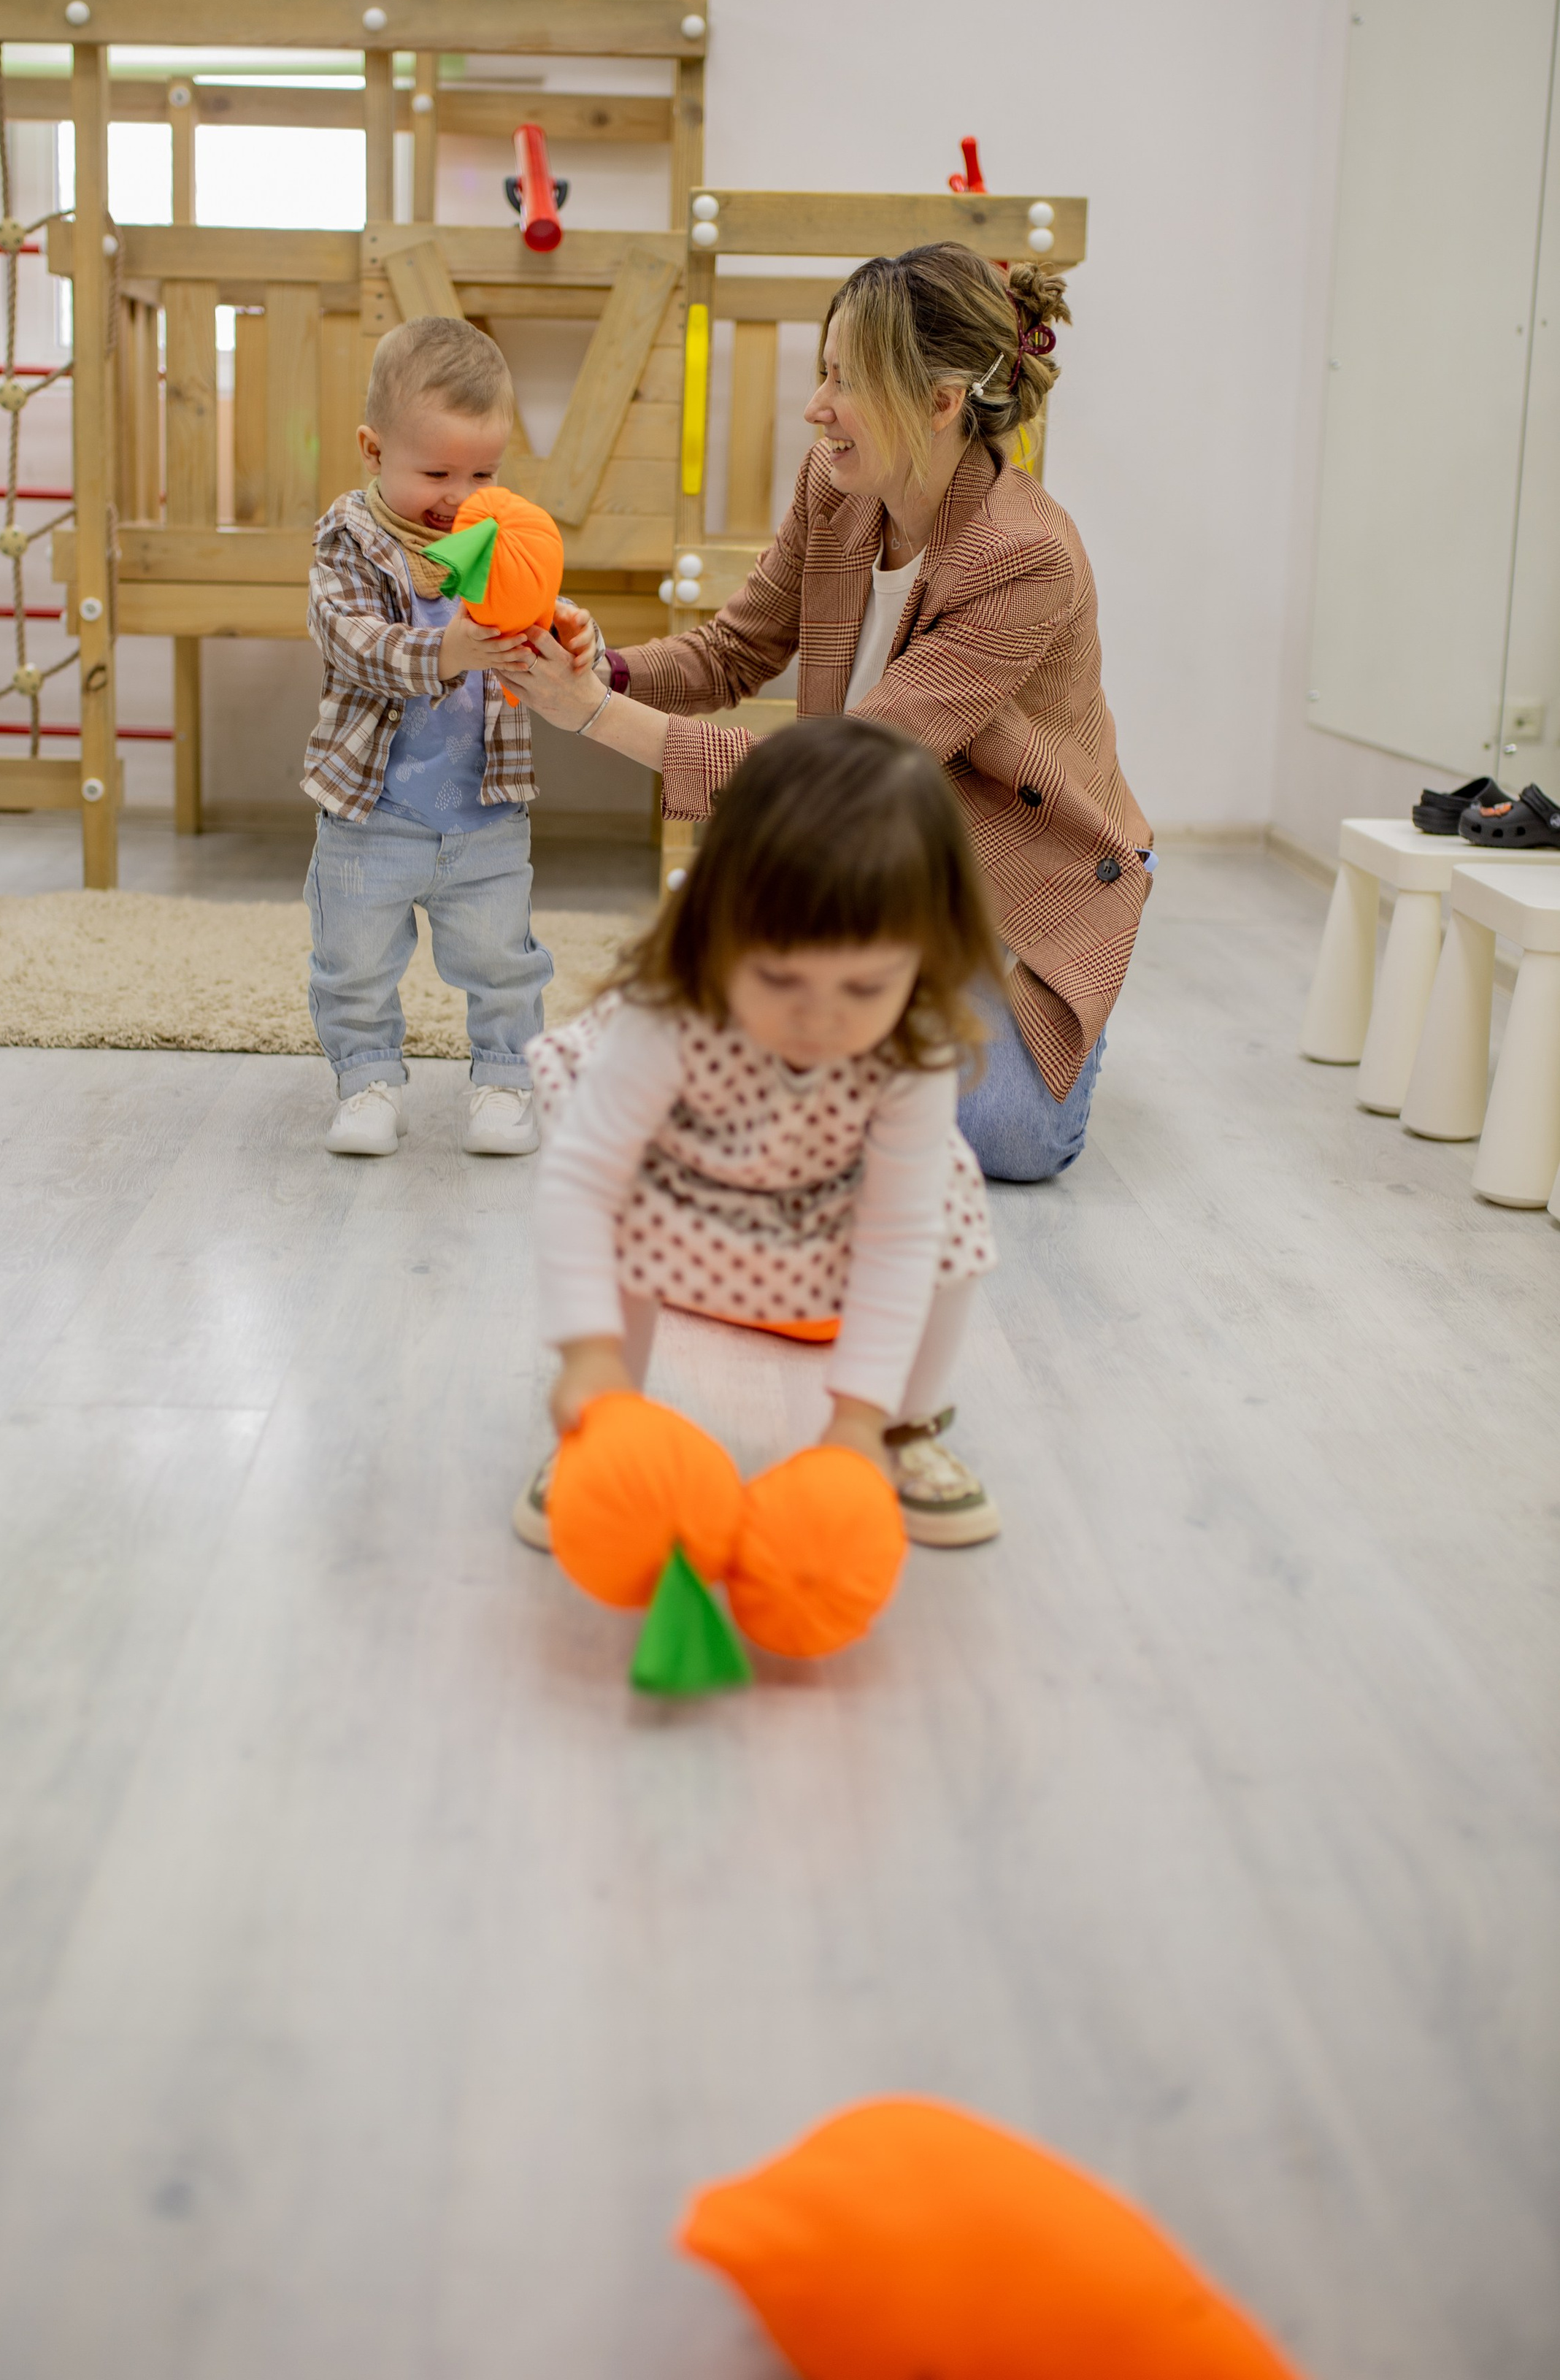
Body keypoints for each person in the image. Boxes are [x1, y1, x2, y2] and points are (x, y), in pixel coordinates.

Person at [512, 246, 1152, 1183]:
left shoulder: (1027, 558)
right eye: (823, 373)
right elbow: (733, 649)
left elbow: (838, 774)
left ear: (940, 404)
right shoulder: (838, 485)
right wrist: (597, 666)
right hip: (879, 861)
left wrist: (592, 715)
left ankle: (993, 1034)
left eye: (844, 383)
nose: (816, 407)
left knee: (1006, 1139)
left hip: (1015, 877)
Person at [515, 719, 1004, 1553]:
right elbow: (583, 1183)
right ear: (717, 928)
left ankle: (902, 1428)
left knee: (950, 1224)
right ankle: (605, 1424)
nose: (819, 1016)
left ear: (925, 956)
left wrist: (856, 1414)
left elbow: (896, 1234)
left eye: (865, 984)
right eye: (779, 977)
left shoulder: (911, 1047)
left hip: (822, 1197)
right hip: (680, 1180)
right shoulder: (668, 1011)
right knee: (619, 1207)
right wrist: (585, 1355)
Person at [302, 316, 591, 1159]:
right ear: (372, 449)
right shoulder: (350, 540)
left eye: (483, 471)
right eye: (435, 471)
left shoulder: (497, 534)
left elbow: (546, 613)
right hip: (372, 813)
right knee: (352, 961)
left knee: (504, 960)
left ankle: (503, 1082)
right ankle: (367, 1082)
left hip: (484, 814)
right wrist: (447, 650)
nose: (459, 494)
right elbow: (349, 640)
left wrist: (575, 640)